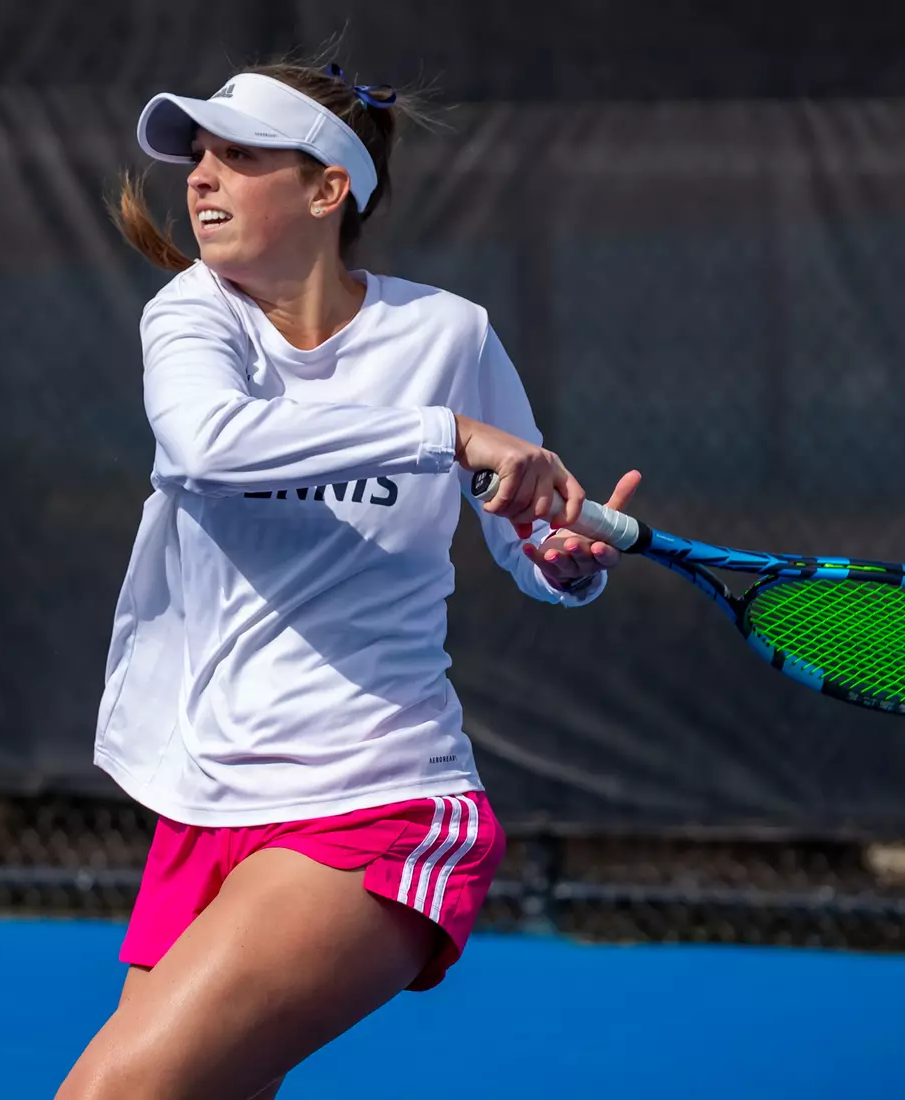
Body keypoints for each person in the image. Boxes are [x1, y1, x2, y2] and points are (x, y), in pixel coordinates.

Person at [57, 58, 641, 1100]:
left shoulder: (448, 333)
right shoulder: (192, 314)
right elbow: (206, 444)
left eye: (239, 156)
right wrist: (444, 435)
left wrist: (560, 562)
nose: (202, 179)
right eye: (199, 157)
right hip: (206, 797)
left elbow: (526, 532)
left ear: (328, 188)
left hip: (378, 796)